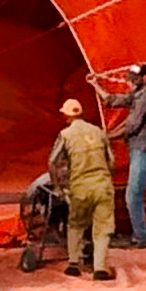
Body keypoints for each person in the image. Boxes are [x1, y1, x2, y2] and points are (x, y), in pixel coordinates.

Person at [48, 97, 117, 281]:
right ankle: (100, 267)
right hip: (102, 185)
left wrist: (58, 187)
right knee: (102, 228)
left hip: (80, 187)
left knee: (76, 224)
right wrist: (106, 177)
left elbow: (52, 162)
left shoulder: (65, 135)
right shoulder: (98, 131)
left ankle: (73, 263)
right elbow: (111, 160)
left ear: (66, 116)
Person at [113, 62, 146, 249]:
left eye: (133, 79)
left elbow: (131, 127)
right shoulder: (136, 95)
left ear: (144, 79)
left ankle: (142, 238)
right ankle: (139, 235)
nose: (130, 83)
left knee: (132, 196)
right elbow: (116, 100)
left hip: (143, 152)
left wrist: (106, 136)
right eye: (129, 79)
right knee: (134, 195)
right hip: (137, 150)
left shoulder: (145, 99)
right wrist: (96, 87)